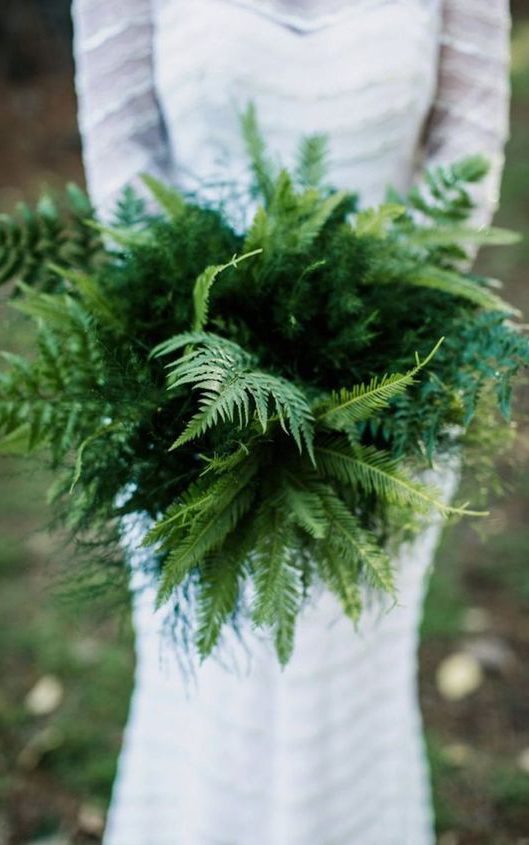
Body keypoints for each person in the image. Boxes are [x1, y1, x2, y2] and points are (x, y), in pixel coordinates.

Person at [72, 1, 510, 842]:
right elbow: (125, 166)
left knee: (347, 688)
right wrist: (220, 360)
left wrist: (367, 345)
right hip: (188, 404)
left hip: (383, 395)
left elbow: (466, 151)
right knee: (203, 685)